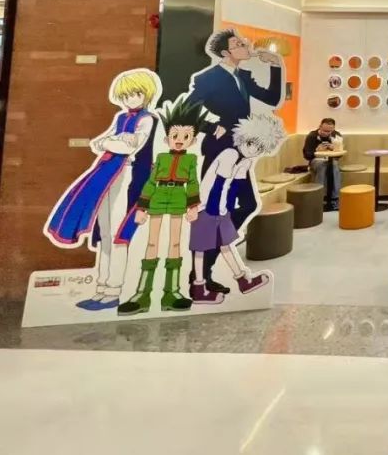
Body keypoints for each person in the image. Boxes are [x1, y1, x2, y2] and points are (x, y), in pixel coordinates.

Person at [44, 69, 159, 311]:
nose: (130, 99)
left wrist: (113, 143)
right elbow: (99, 142)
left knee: (118, 235)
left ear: (146, 94)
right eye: (126, 96)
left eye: (135, 94)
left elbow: (130, 146)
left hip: (128, 176)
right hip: (107, 174)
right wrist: (113, 141)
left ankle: (114, 290)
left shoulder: (148, 119)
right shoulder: (121, 118)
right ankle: (102, 288)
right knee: (105, 233)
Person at [188, 28, 283, 294]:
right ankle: (201, 276)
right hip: (220, 150)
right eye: (238, 44)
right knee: (212, 211)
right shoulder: (209, 78)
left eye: (243, 42)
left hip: (241, 150)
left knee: (246, 204)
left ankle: (209, 261)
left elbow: (272, 98)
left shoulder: (242, 76)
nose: (245, 45)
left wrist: (276, 66)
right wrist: (210, 127)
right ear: (225, 52)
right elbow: (186, 109)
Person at [118, 96, 210, 315]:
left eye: (186, 136)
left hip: (179, 198)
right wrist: (142, 208)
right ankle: (142, 294)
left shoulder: (190, 160)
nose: (179, 140)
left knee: (175, 243)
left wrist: (193, 206)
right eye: (175, 135)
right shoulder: (160, 158)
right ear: (167, 137)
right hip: (158, 197)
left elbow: (193, 182)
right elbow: (151, 182)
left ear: (192, 140)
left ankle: (172, 292)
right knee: (152, 243)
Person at [190, 113, 283, 303]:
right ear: (243, 138)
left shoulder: (245, 161)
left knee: (225, 245)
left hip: (221, 209)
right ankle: (198, 285)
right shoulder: (230, 154)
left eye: (259, 148)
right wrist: (218, 214)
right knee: (201, 248)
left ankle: (242, 280)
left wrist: (226, 213)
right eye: (251, 144)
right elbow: (217, 187)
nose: (253, 150)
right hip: (207, 207)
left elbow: (233, 189)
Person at [304, 117, 343, 210]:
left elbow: (339, 155)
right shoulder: (312, 136)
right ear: (320, 126)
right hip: (315, 161)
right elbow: (306, 155)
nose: (326, 133)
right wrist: (316, 151)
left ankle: (335, 198)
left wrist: (335, 148)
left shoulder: (336, 136)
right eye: (324, 130)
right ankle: (319, 198)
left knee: (334, 165)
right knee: (323, 165)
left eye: (329, 131)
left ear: (333, 129)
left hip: (331, 160)